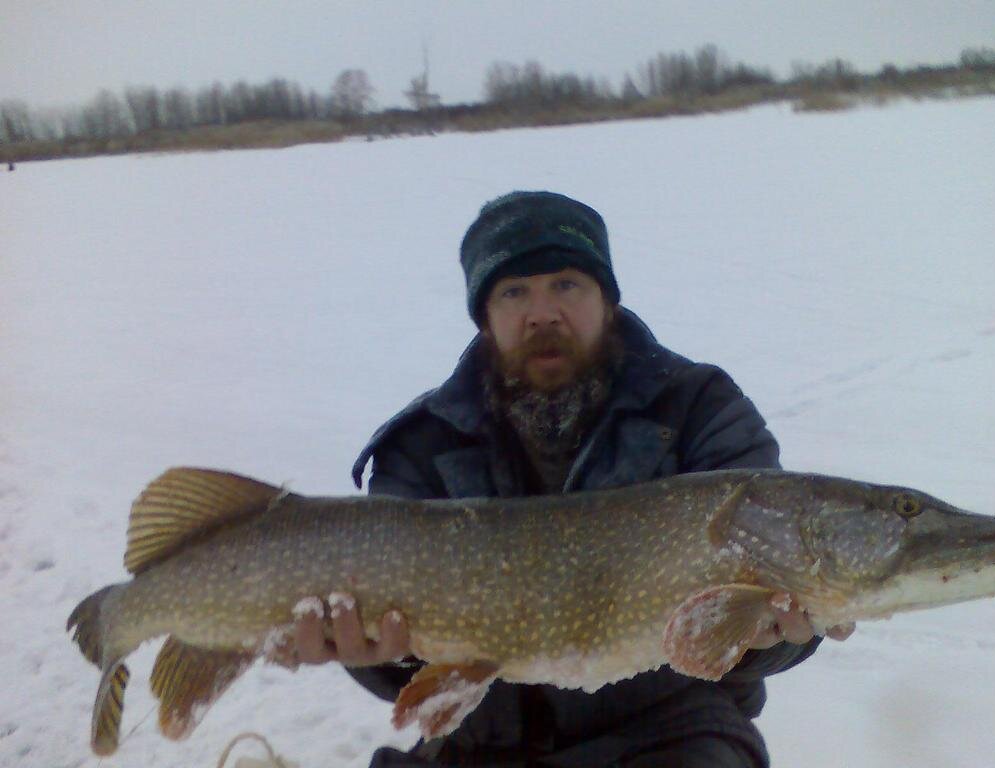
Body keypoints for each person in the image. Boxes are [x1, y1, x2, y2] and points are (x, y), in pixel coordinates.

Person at [287, 191, 852, 766]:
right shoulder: (423, 443)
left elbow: (775, 617)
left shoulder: (699, 407)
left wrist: (773, 637)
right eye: (513, 292)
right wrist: (375, 652)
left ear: (606, 300)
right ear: (485, 317)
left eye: (566, 284)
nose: (542, 312)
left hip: (670, 731)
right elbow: (405, 660)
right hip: (481, 743)